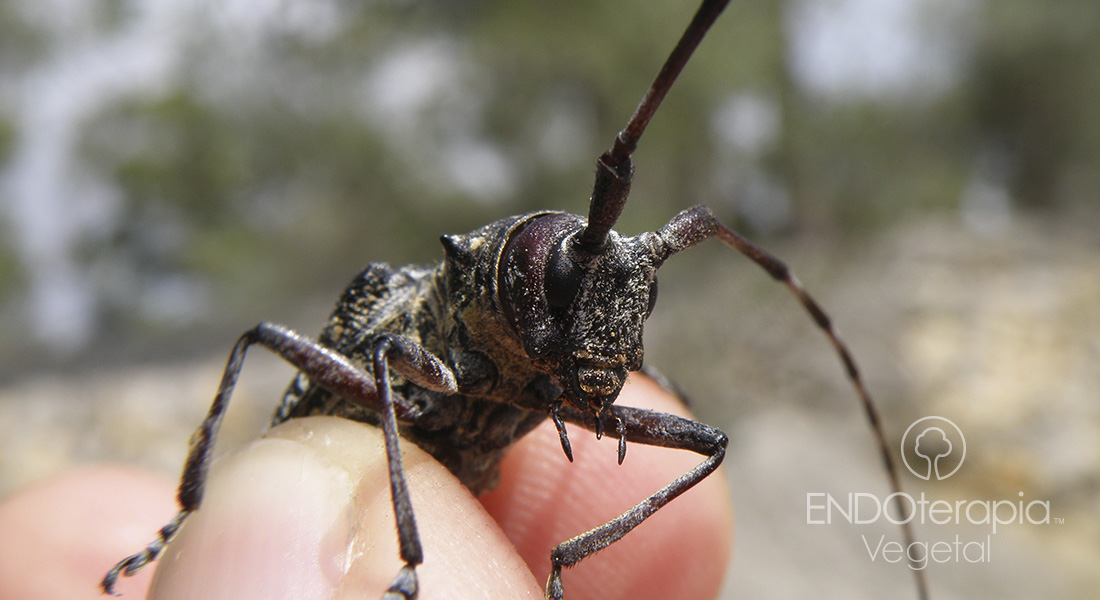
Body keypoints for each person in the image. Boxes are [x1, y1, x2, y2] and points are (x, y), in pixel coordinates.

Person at [0, 377, 732, 599]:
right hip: (354, 416)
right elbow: (385, 359)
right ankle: (181, 517)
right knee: (269, 335)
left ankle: (570, 556)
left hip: (453, 463)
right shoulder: (445, 335)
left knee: (699, 447)